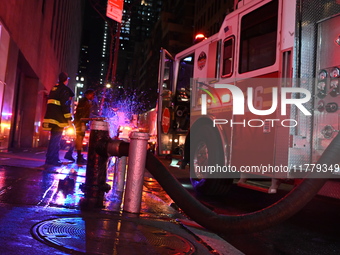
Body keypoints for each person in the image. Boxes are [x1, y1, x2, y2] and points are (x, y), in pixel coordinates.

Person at [42, 72, 74, 166]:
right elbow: (65, 105)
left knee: (53, 139)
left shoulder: (54, 88)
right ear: (66, 80)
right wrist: (69, 118)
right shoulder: (64, 90)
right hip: (58, 120)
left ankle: (50, 158)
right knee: (55, 140)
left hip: (51, 118)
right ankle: (52, 160)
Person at [64, 89, 95, 164]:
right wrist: (82, 123)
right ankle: (78, 157)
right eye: (92, 95)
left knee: (78, 139)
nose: (93, 96)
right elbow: (81, 113)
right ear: (88, 94)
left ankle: (70, 153)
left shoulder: (84, 101)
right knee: (79, 139)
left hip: (80, 122)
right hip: (81, 122)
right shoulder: (84, 102)